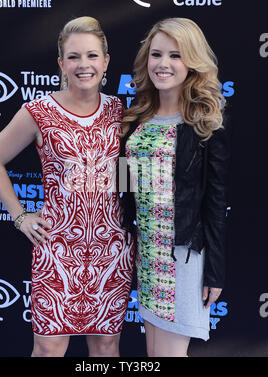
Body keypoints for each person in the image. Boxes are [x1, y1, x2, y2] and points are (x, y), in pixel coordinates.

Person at [0, 16, 134, 357]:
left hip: (112, 251)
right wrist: (19, 216)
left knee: (107, 346)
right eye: (75, 56)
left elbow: (128, 176)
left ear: (106, 61)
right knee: (49, 348)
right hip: (57, 248)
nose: (84, 65)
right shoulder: (38, 111)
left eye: (92, 56)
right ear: (61, 63)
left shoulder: (122, 112)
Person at [120, 17, 230, 357]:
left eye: (175, 55)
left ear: (192, 63)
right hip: (148, 255)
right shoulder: (136, 118)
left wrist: (214, 270)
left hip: (182, 258)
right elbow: (125, 182)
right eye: (156, 54)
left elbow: (215, 202)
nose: (163, 64)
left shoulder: (205, 126)